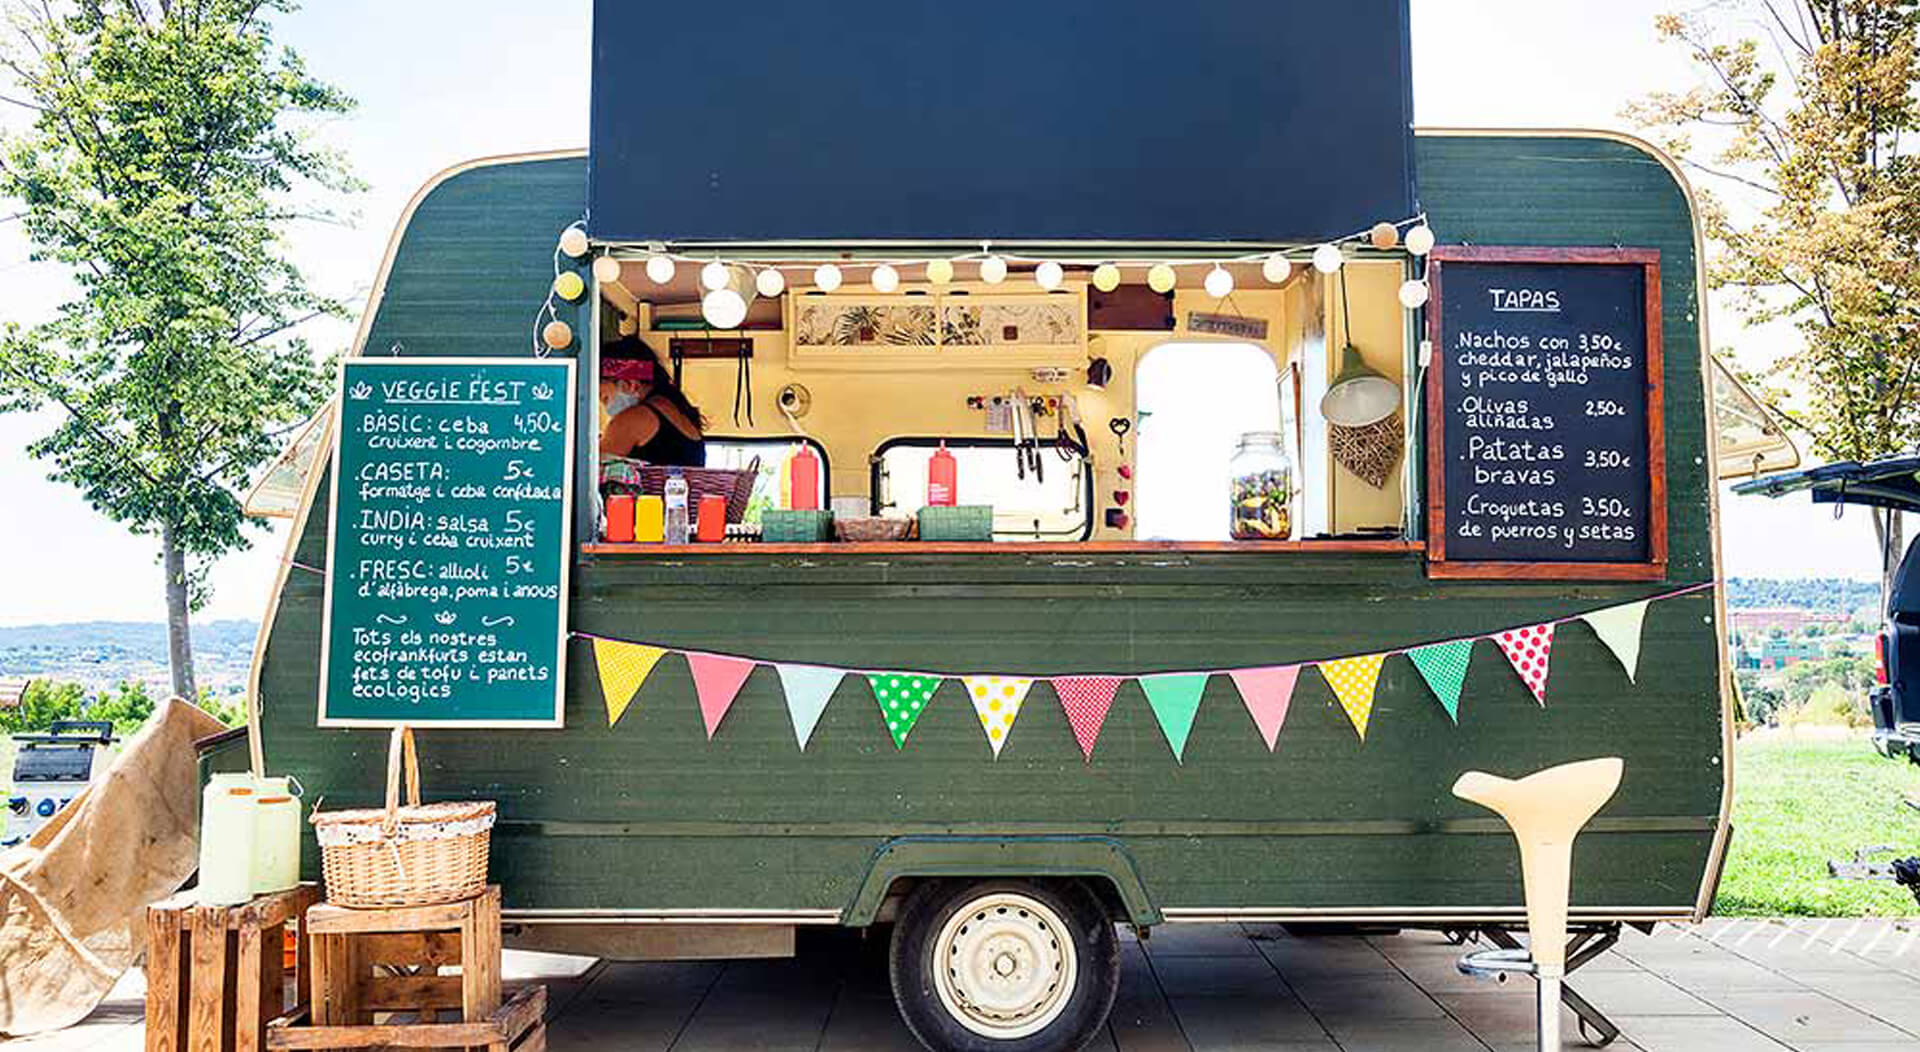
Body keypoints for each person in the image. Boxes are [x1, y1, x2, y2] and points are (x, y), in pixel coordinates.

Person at [599, 337, 706, 466]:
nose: (605, 406)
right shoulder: (678, 413)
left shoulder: (634, 419)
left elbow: (589, 474)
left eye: (604, 398)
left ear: (630, 385)